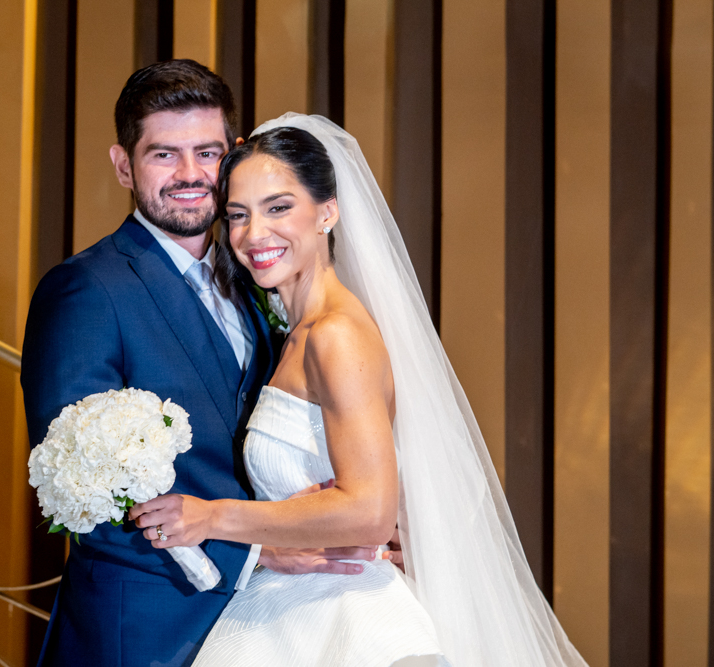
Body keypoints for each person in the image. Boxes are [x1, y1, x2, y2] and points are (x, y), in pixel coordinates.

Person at [129, 115, 591, 667]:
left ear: (327, 212)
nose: (254, 234)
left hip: (348, 620)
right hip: (295, 612)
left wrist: (212, 517)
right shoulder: (294, 334)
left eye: (278, 208)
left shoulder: (336, 336)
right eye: (238, 215)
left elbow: (370, 511)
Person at [21, 62, 375, 667]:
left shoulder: (260, 278)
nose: (190, 174)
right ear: (123, 165)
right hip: (145, 632)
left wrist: (360, 518)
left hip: (273, 623)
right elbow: (81, 493)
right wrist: (257, 551)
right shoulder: (85, 291)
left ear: (230, 156)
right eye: (164, 155)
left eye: (207, 153)